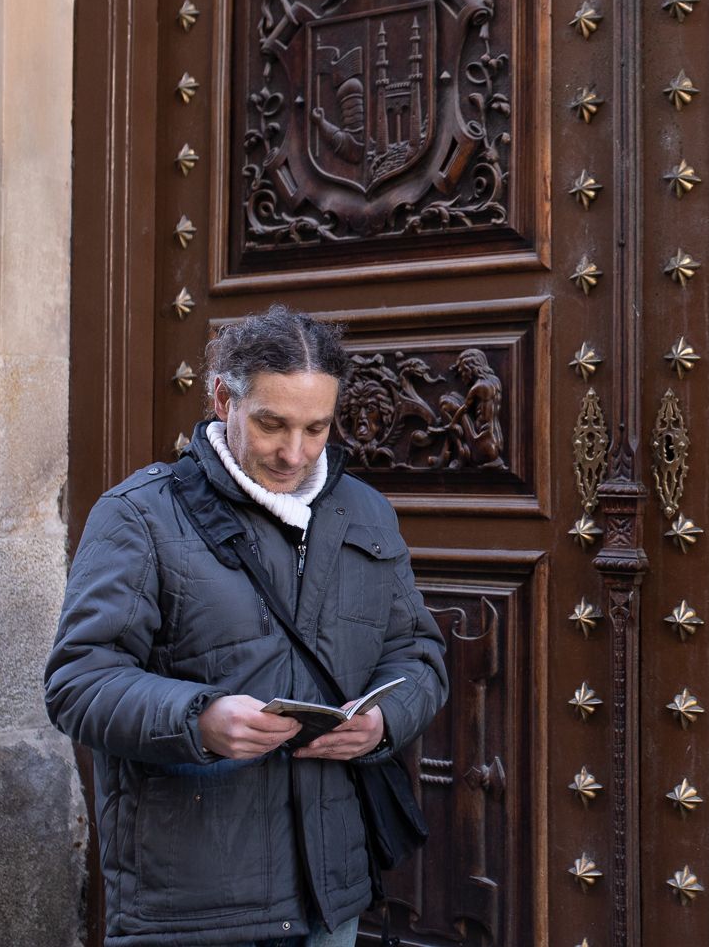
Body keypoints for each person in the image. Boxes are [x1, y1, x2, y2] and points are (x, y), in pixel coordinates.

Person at [45, 305, 448, 946]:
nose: (295, 452)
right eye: (271, 424)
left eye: (317, 428)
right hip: (194, 902)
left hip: (331, 892)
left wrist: (383, 721)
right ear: (222, 400)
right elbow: (78, 684)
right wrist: (200, 719)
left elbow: (417, 652)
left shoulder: (367, 512)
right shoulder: (137, 515)